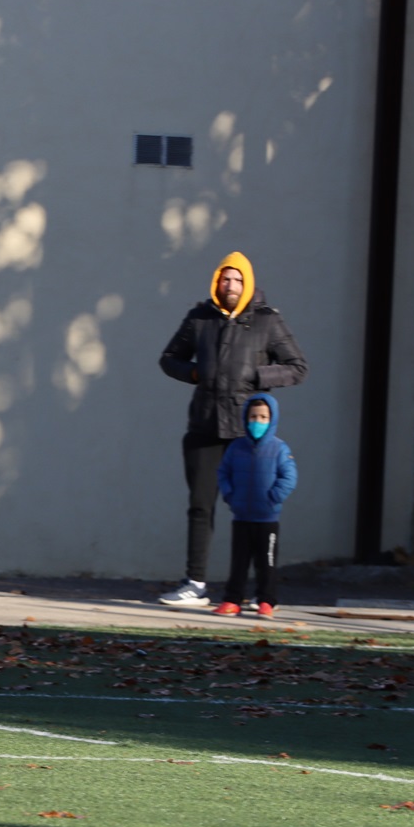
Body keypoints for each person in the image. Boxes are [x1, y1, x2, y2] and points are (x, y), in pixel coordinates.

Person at [157, 251, 306, 607]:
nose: (231, 285)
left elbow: (297, 367)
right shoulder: (200, 318)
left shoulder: (267, 321)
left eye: (238, 279)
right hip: (205, 426)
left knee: (255, 511)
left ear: (248, 283)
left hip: (248, 433)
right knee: (200, 506)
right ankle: (195, 584)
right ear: (216, 282)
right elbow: (169, 359)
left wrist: (257, 376)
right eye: (226, 279)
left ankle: (260, 592)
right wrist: (194, 372)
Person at [213, 394, 296, 618]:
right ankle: (232, 600)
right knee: (238, 562)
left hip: (267, 519)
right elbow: (223, 473)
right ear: (245, 418)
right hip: (241, 517)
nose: (257, 421)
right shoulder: (236, 447)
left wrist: (273, 498)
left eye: (263, 417)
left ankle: (266, 601)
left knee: (266, 563)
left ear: (272, 419)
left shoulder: (279, 448)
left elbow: (289, 477)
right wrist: (230, 496)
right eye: (253, 417)